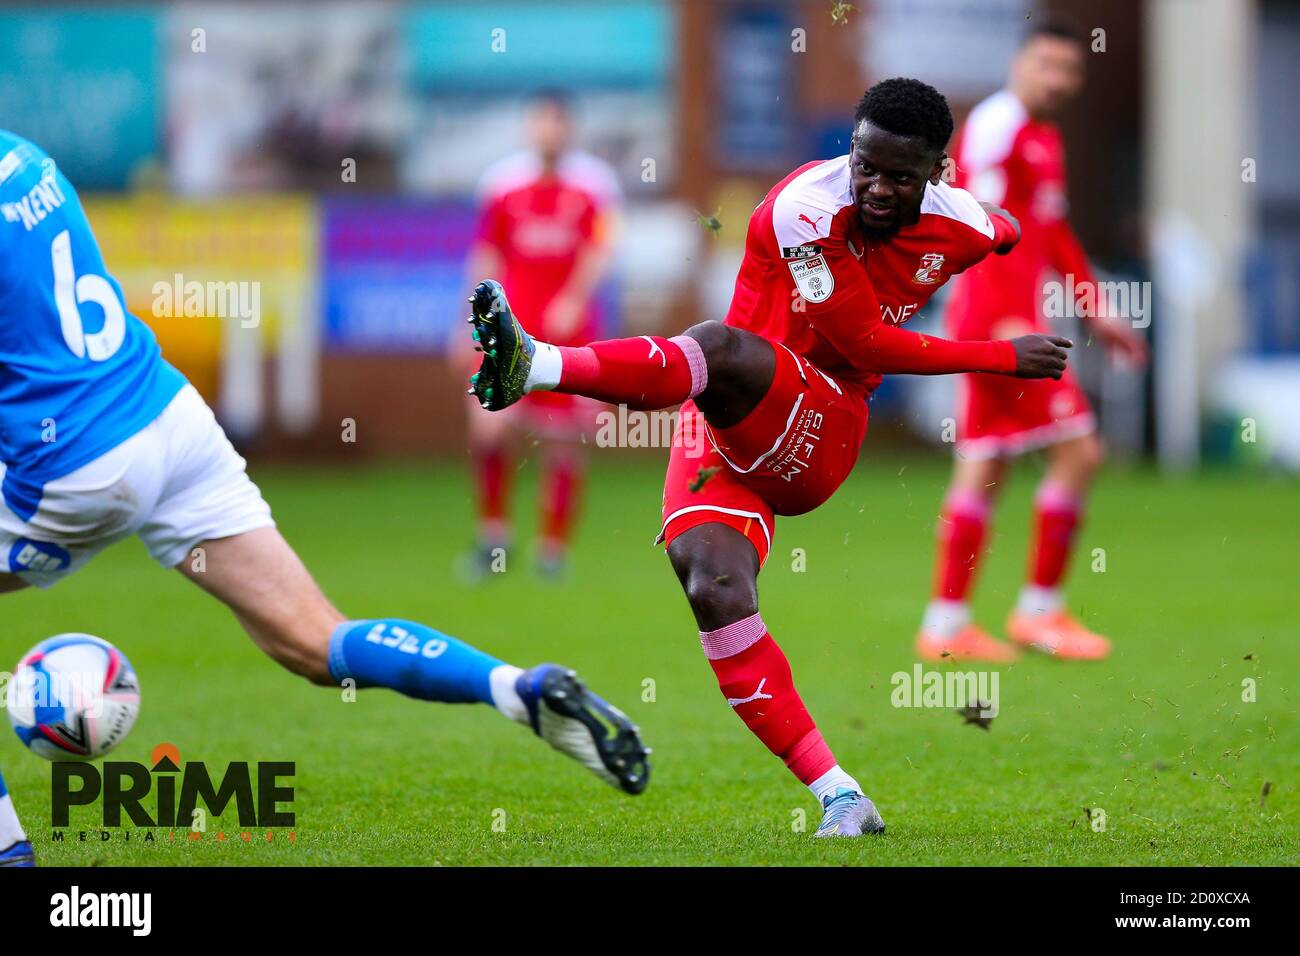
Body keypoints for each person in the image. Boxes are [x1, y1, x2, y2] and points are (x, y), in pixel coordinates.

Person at [0, 130, 648, 865]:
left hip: (77, 464)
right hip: (166, 417)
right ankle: (515, 688)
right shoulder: (25, 156)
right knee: (313, 641)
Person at [468, 78, 1070, 837]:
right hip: (723, 419)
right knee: (713, 587)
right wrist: (1002, 356)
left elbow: (1008, 232)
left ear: (939, 173)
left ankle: (540, 365)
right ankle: (842, 796)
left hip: (823, 420)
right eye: (866, 165)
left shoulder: (965, 222)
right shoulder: (804, 210)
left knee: (717, 346)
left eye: (902, 176)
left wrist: (1028, 271)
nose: (878, 188)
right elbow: (866, 335)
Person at [918, 17, 1148, 663]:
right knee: (1081, 452)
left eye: (1070, 70)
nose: (1060, 80)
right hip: (1001, 326)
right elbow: (977, 225)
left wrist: (1094, 308)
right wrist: (1002, 325)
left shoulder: (1044, 137)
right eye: (1048, 64)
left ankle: (945, 624)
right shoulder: (999, 127)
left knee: (984, 469)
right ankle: (1040, 613)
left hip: (1000, 324)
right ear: (1020, 63)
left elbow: (1052, 234)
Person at [461, 90, 621, 579]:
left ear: (569, 128)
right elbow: (487, 253)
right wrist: (465, 318)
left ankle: (552, 548)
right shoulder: (504, 184)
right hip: (507, 329)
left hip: (567, 334)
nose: (549, 130)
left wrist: (574, 299)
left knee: (561, 439)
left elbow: (600, 250)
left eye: (557, 121)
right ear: (530, 128)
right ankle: (494, 538)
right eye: (541, 122)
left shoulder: (593, 185)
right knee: (488, 426)